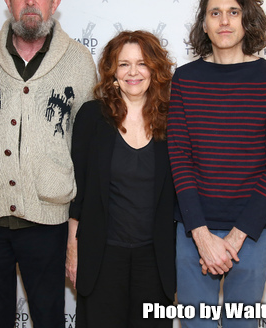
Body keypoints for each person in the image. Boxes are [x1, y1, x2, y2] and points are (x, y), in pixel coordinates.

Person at [0, 0, 97, 328]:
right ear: (7, 0)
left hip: (49, 218)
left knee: (49, 318)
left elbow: (88, 143)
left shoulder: (78, 60)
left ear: (54, 2)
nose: (29, 1)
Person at [167, 0, 266, 328]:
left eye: (233, 12)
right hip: (192, 230)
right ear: (204, 24)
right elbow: (179, 156)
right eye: (215, 13)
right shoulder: (184, 79)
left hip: (252, 231)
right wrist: (201, 235)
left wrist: (238, 236)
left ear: (246, 20)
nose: (224, 21)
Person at [65, 31, 176, 328]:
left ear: (154, 69)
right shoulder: (92, 116)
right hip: (102, 256)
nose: (133, 72)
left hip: (155, 259)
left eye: (142, 63)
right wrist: (73, 252)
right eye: (123, 64)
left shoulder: (173, 118)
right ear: (112, 71)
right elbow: (79, 190)